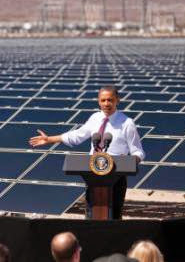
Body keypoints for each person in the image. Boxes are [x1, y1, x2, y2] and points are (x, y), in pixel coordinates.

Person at [29, 85, 145, 219]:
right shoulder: (95, 118)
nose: (106, 104)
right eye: (103, 100)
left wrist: (129, 162)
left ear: (117, 100)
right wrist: (49, 139)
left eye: (110, 100)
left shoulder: (127, 123)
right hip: (93, 174)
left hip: (116, 177)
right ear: (98, 101)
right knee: (91, 215)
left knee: (114, 217)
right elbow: (77, 136)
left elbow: (138, 152)